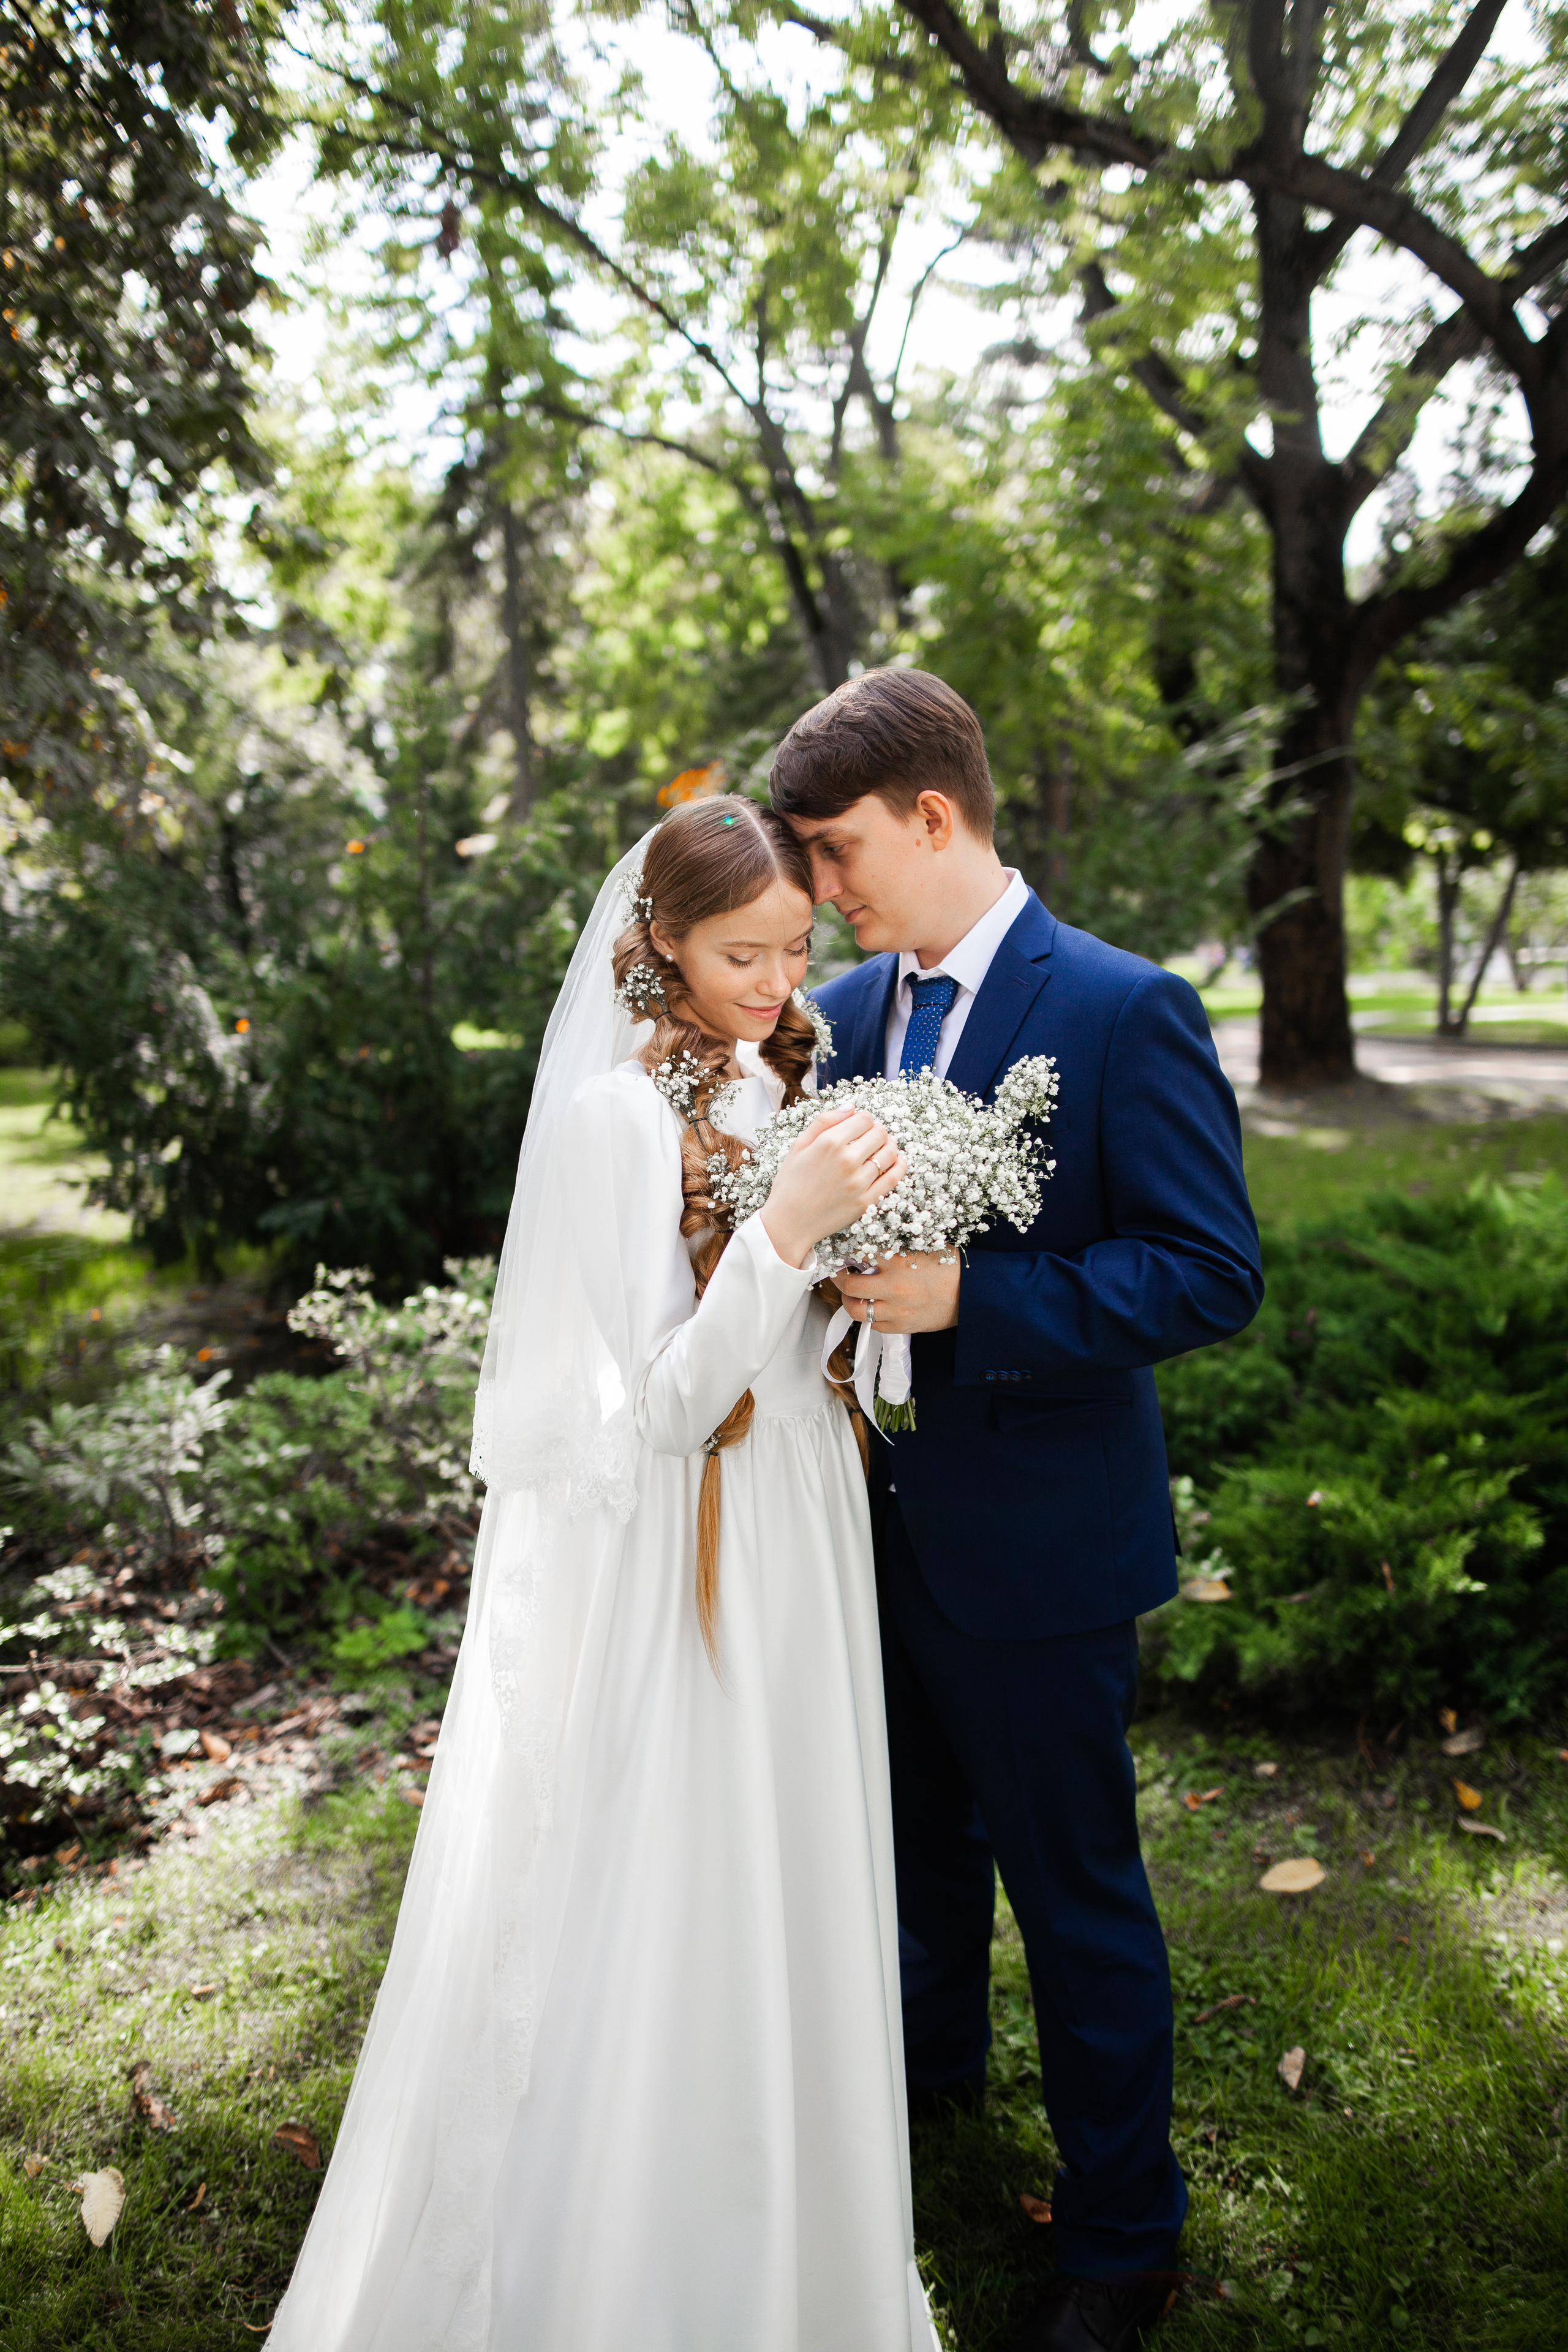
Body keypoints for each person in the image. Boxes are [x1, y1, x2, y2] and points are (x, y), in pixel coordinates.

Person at [266, 796, 940, 2352]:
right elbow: (653, 1412)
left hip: (800, 1530)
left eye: (792, 949)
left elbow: (798, 1347)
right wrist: (782, 1235)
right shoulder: (608, 1123)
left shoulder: (789, 1072)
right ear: (657, 944)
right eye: (739, 954)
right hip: (684, 1553)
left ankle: (807, 2253)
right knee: (689, 1880)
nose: (778, 984)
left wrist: (868, 1281)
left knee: (799, 1865)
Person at [771, 669, 1264, 2352]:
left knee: (1078, 1897)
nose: (825, 887)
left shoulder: (1128, 1009)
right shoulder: (836, 1013)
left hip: (1044, 1547)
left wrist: (982, 1299)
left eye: (840, 850)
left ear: (934, 814)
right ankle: (922, 2115)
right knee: (904, 1860)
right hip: (861, 1529)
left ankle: (1125, 2239)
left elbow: (1211, 1273)